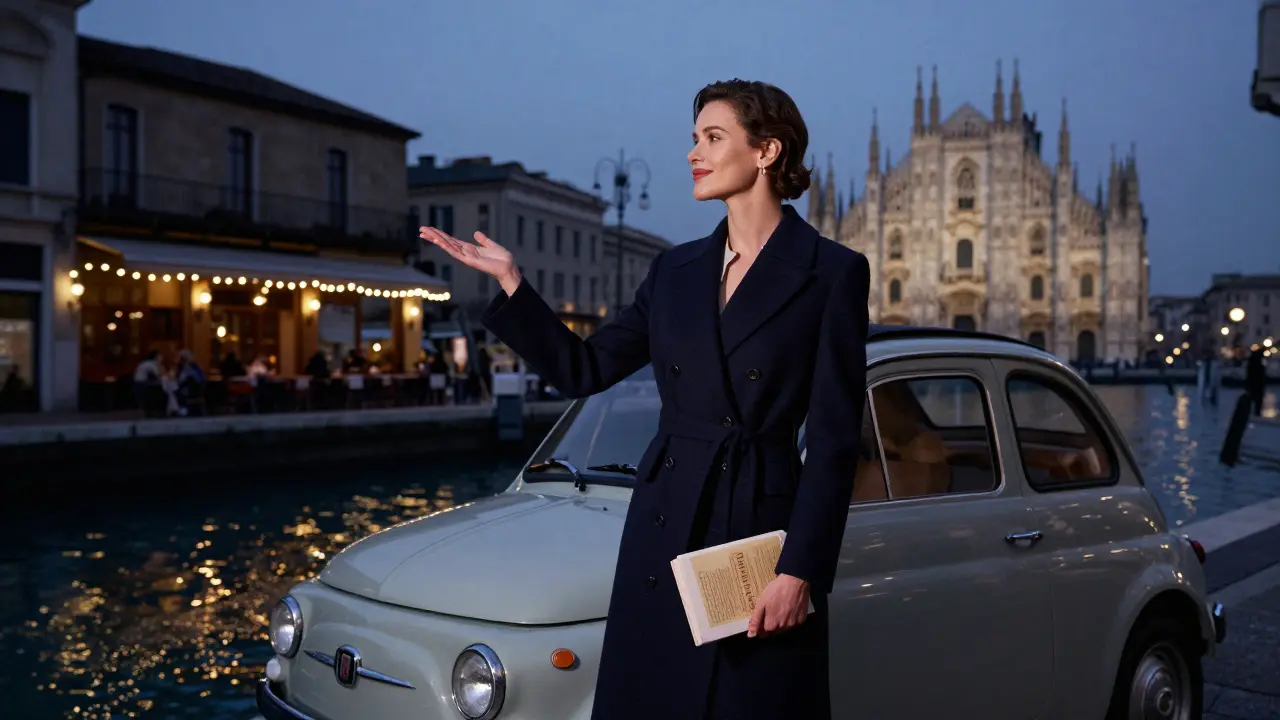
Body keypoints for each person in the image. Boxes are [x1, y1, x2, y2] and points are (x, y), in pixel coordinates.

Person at [422, 79, 869, 720]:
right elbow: (585, 368)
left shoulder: (832, 272)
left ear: (767, 151)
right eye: (694, 139)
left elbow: (832, 443)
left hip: (755, 544)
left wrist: (801, 571)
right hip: (663, 527)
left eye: (713, 138)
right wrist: (512, 284)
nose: (694, 152)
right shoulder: (674, 272)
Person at [1246, 347, 1267, 416]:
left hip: (1253, 382)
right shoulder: (1260, 361)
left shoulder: (1252, 361)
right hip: (1258, 382)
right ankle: (1257, 411)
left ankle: (1252, 410)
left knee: (1252, 397)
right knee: (1258, 397)